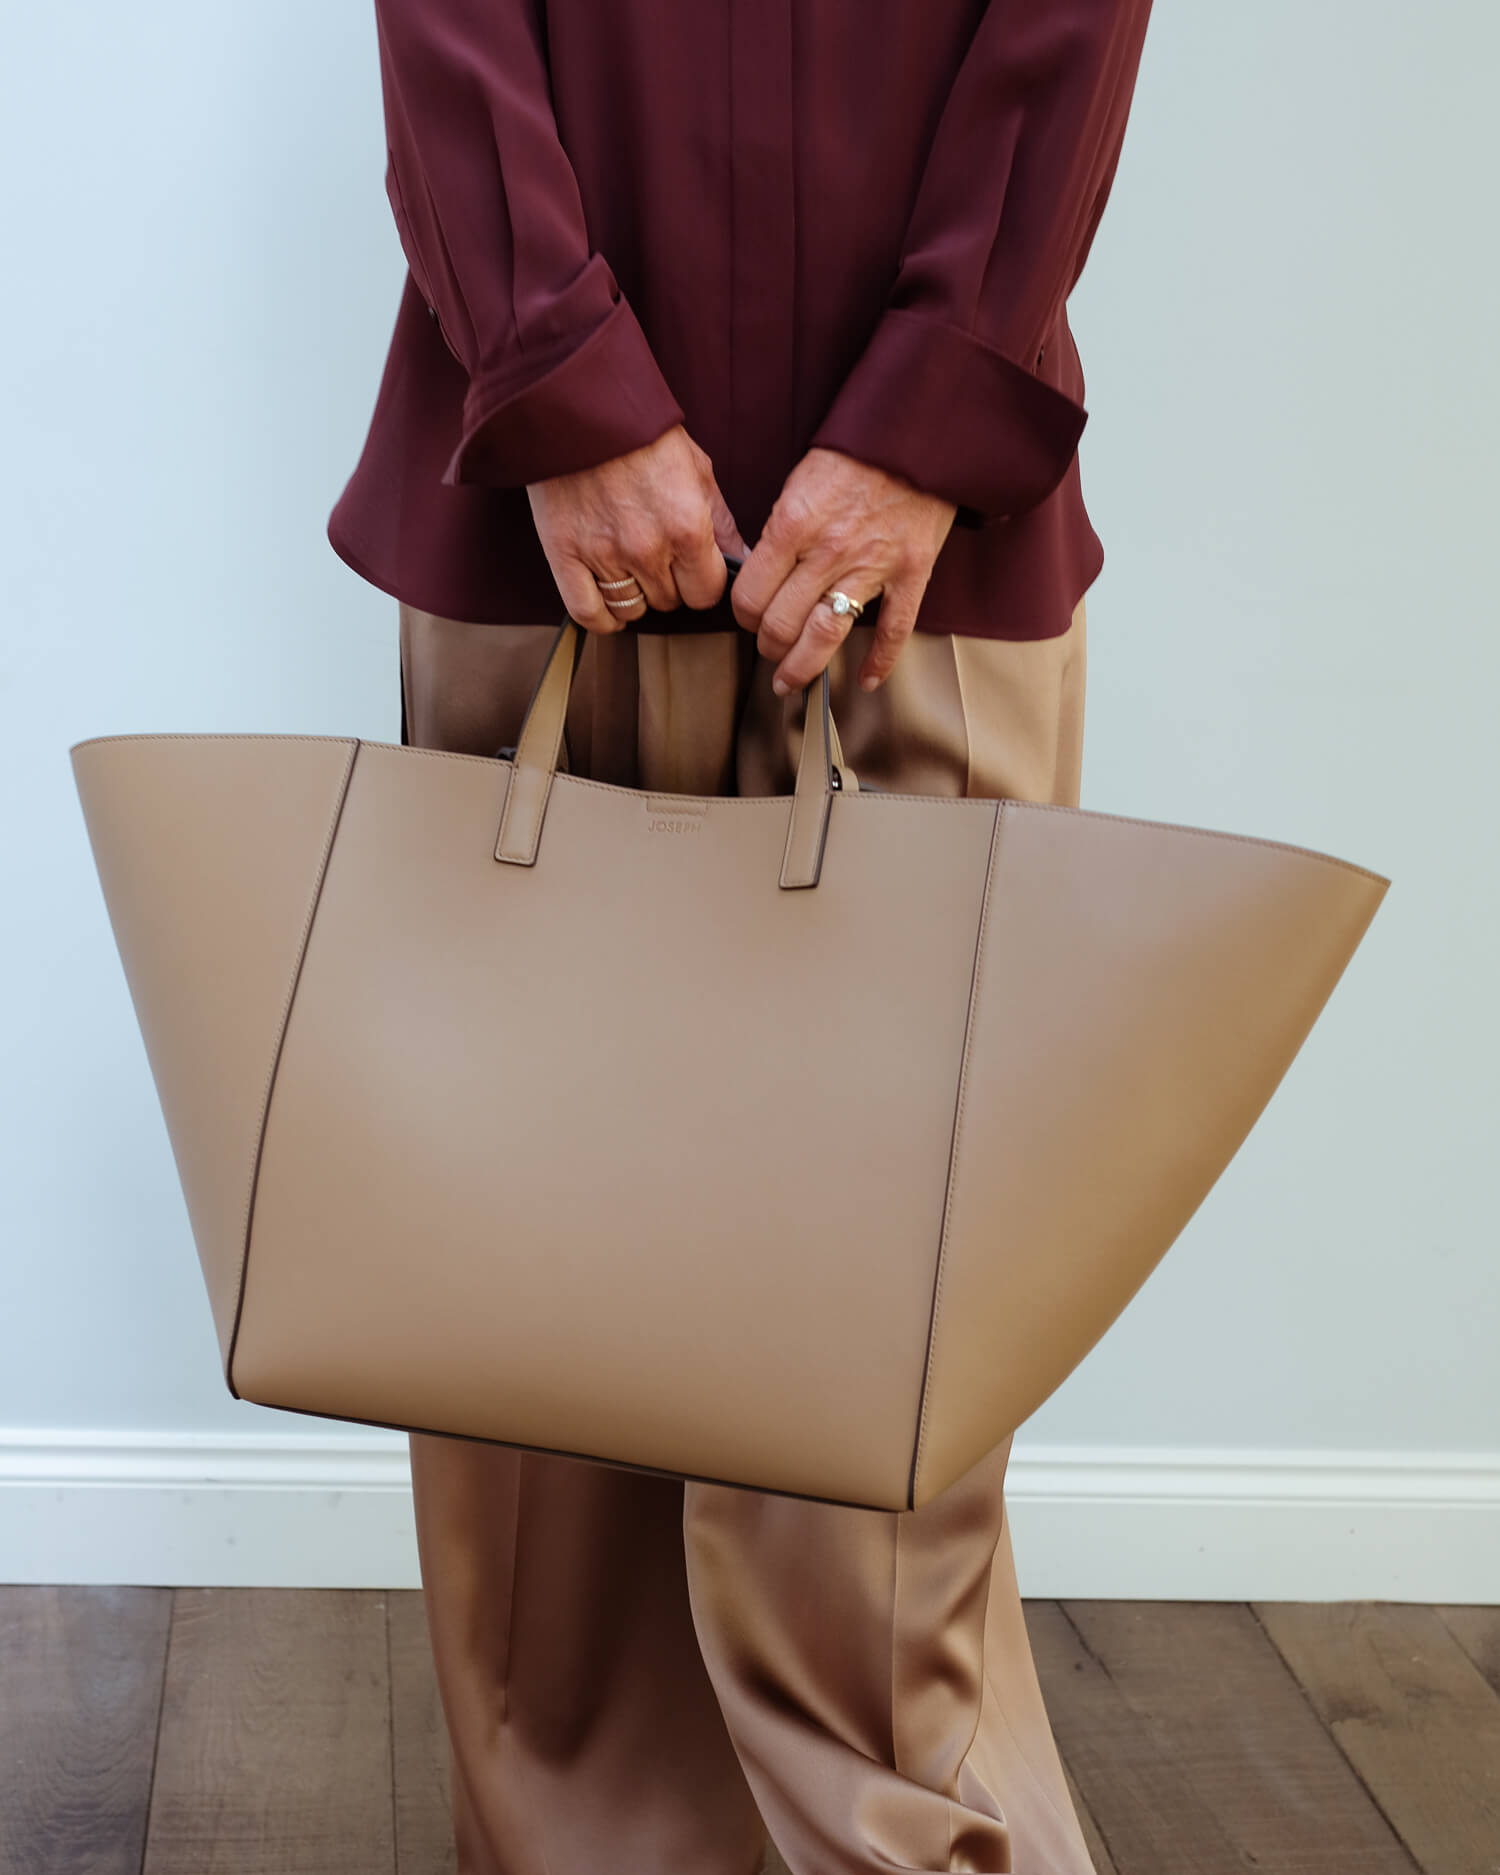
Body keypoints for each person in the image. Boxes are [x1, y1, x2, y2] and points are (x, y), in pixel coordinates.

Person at [328, 2, 1154, 1869]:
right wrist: (563, 388)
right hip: (542, 528)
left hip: (926, 563)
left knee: (892, 1365)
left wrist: (929, 413)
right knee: (531, 1355)